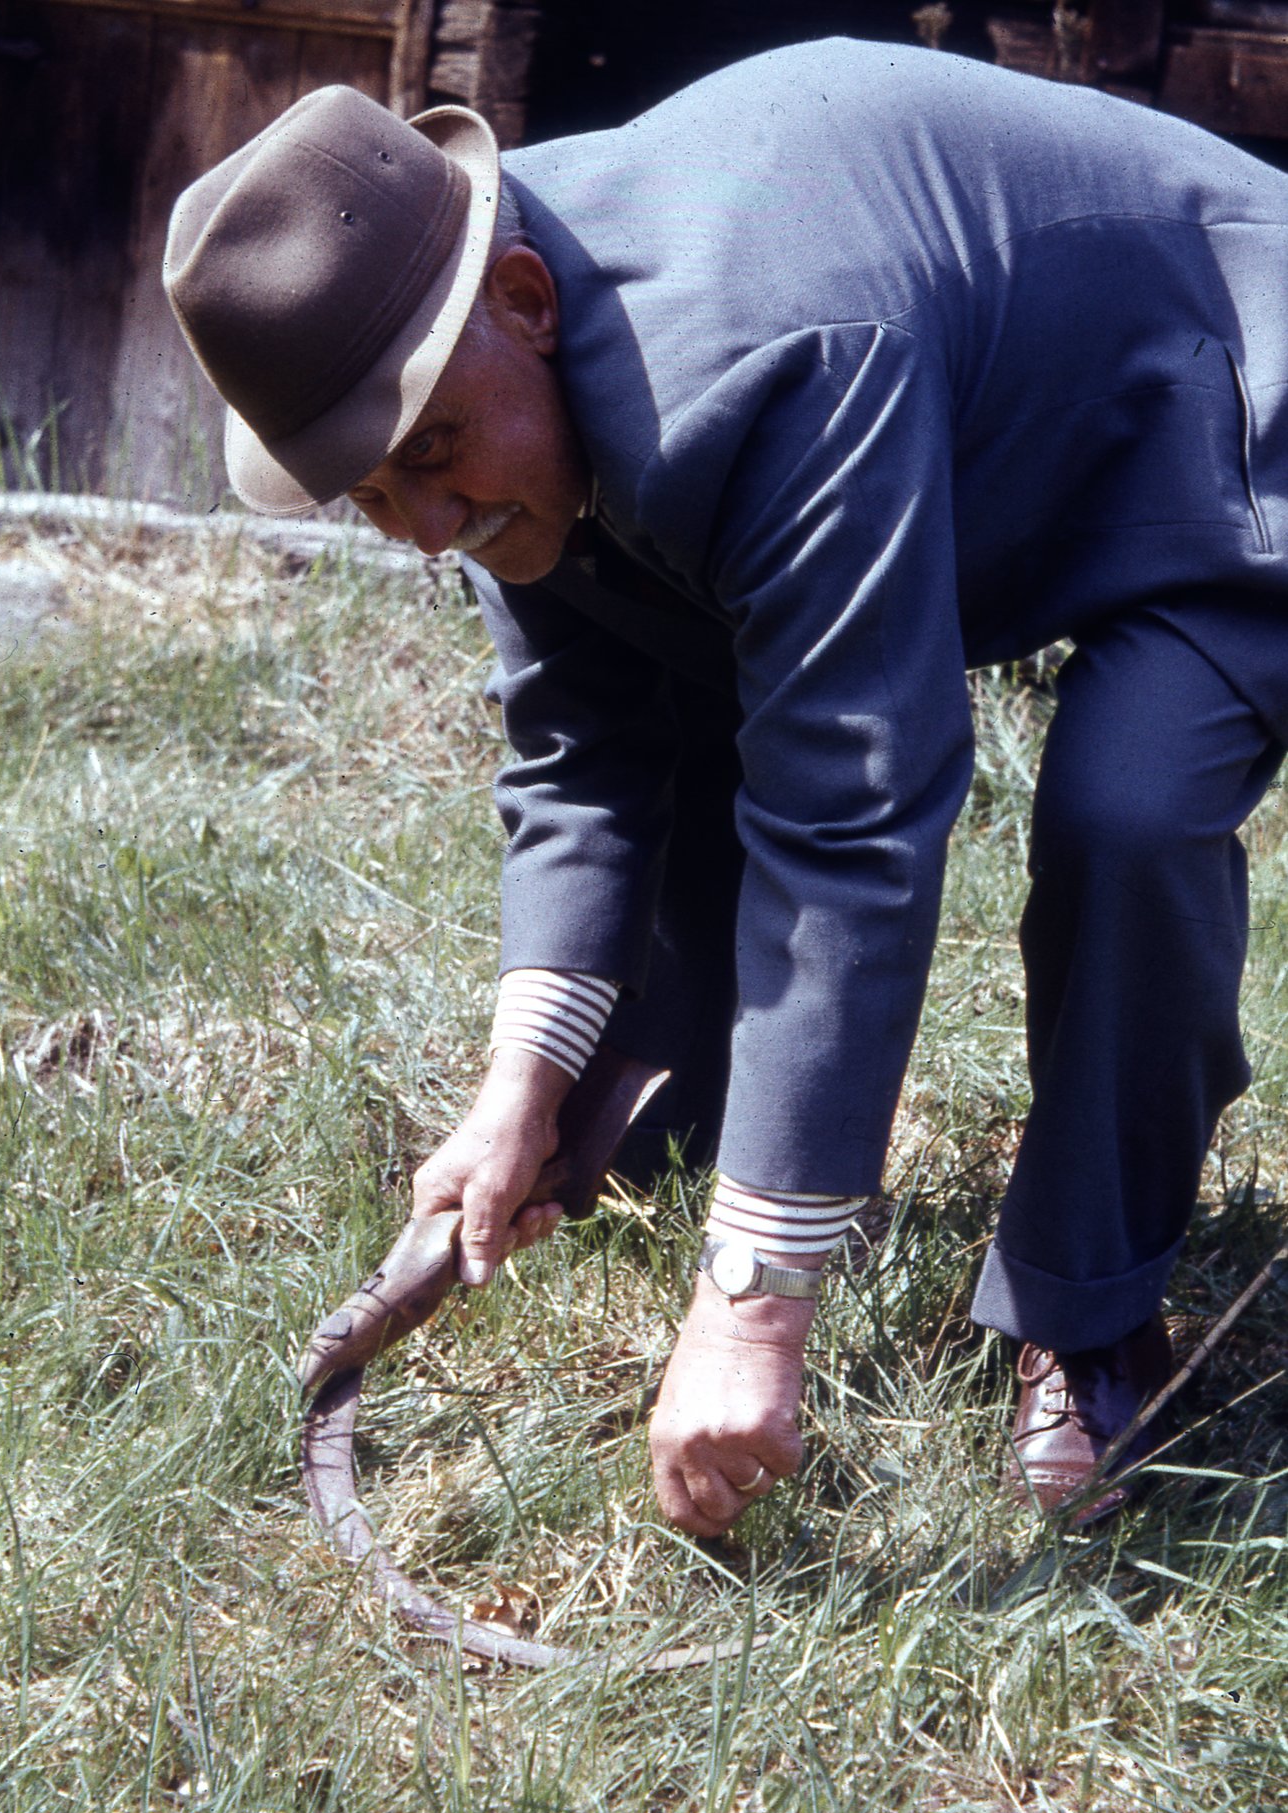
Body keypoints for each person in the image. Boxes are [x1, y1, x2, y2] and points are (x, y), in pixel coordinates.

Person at [164, 39, 1288, 1538]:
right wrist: (520, 1083)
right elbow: (582, 744)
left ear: (526, 303)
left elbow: (853, 818)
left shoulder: (764, 350)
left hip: (1221, 396)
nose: (426, 527)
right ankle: (699, 1122)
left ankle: (1088, 1309)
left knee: (1127, 809)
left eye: (431, 458)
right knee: (659, 690)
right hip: (993, 441)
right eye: (373, 497)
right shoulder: (469, 361)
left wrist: (754, 1309)